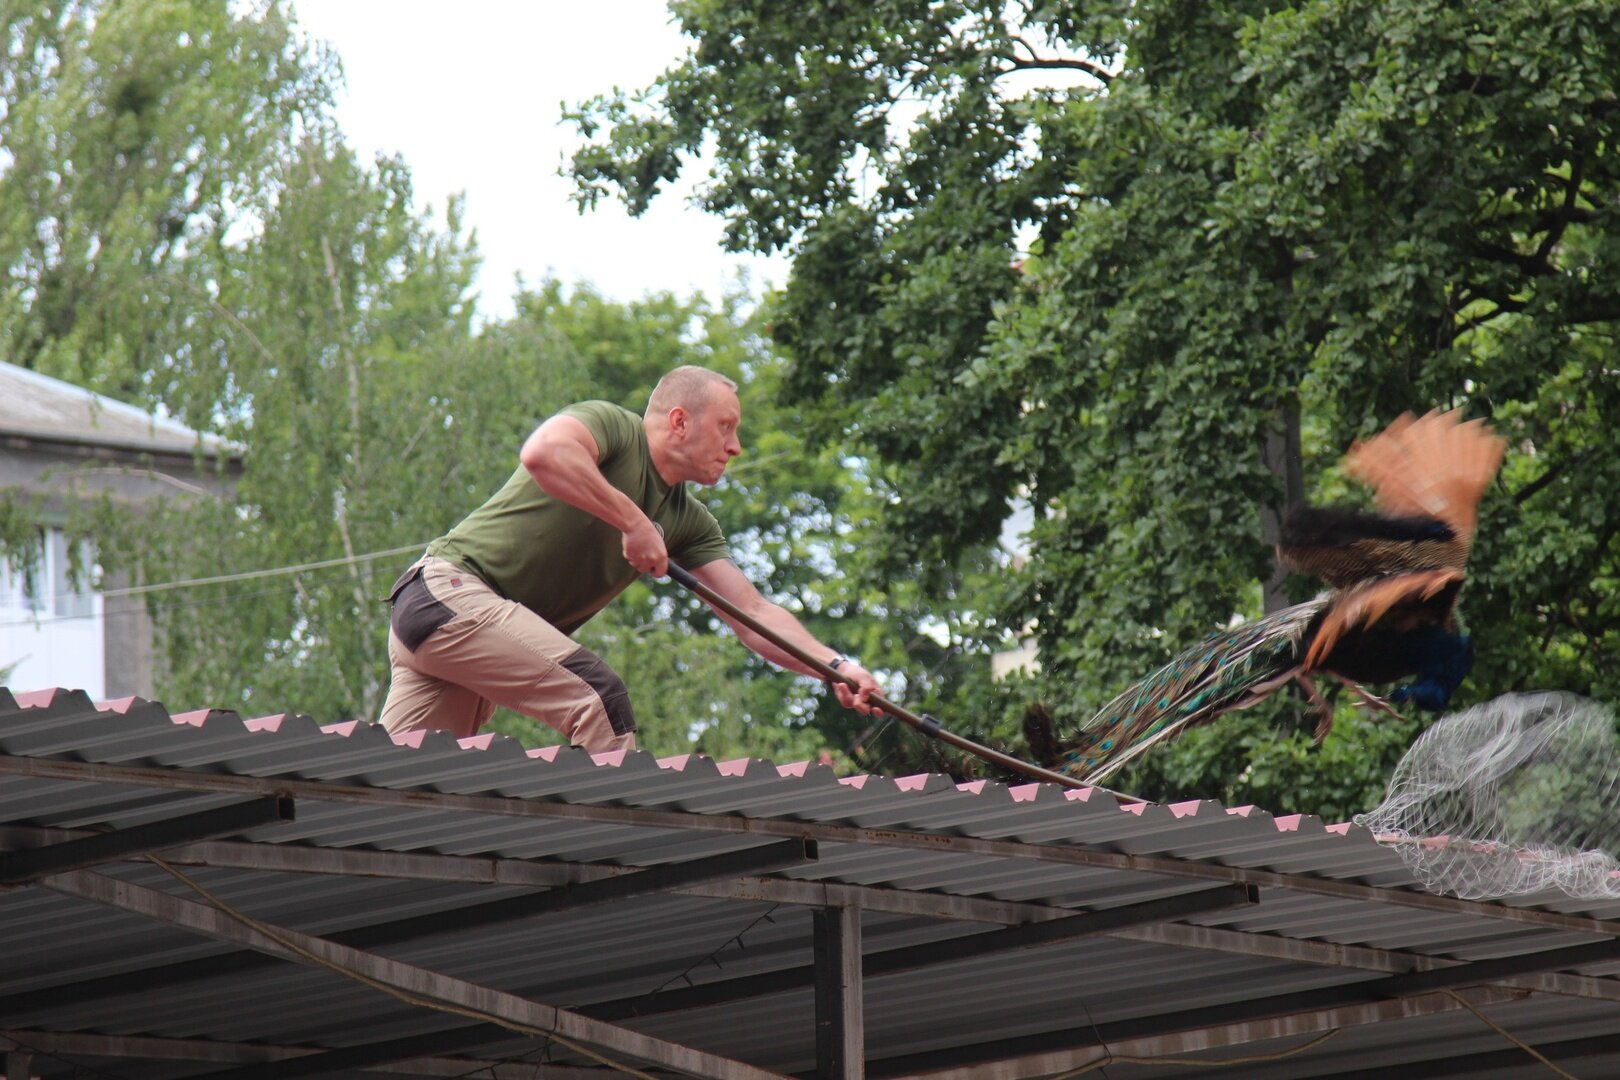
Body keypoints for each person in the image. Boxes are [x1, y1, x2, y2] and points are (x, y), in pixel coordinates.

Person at [377, 365, 883, 753]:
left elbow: (753, 615)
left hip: (451, 641)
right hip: (448, 595)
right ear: (680, 422)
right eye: (726, 427)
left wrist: (836, 667)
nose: (736, 447)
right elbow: (544, 454)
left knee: (394, 790)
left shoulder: (689, 520)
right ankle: (619, 867)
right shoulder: (613, 428)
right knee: (599, 698)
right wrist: (635, 523)